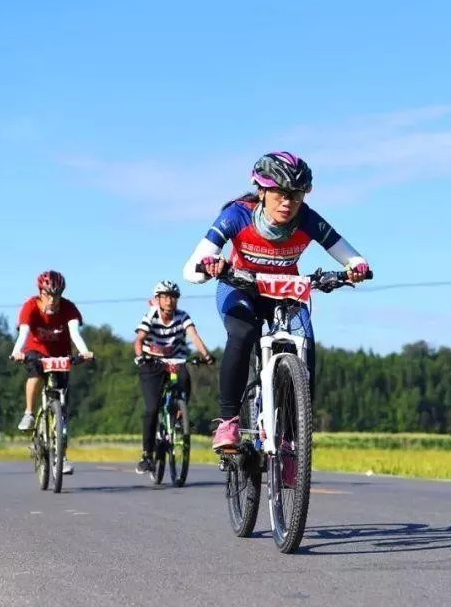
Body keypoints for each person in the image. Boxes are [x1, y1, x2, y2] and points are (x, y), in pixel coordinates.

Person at [181, 151, 371, 463]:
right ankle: (228, 422)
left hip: (286, 290)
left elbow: (351, 255)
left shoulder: (308, 219)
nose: (288, 203)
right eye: (281, 194)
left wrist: (357, 267)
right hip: (240, 287)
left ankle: (291, 444)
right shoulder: (237, 215)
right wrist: (210, 266)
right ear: (262, 191)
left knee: (305, 346)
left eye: (296, 195)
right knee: (243, 333)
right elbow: (190, 270)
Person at [10, 269, 94, 476]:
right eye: (48, 294)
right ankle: (29, 413)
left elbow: (75, 333)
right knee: (36, 374)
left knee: (62, 410)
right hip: (35, 351)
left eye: (56, 295)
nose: (52, 300)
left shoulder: (69, 308)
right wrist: (16, 352)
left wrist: (84, 352)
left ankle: (61, 457)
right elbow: (24, 334)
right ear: (40, 292)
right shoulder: (30, 306)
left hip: (61, 355)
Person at [132, 279, 216, 475]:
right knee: (152, 408)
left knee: (185, 374)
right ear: (158, 300)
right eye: (165, 297)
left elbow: (194, 336)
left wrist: (206, 356)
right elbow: (139, 340)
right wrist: (140, 357)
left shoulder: (183, 316)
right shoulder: (151, 315)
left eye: (173, 297)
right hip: (152, 362)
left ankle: (180, 415)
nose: (169, 301)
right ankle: (147, 455)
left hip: (175, 360)